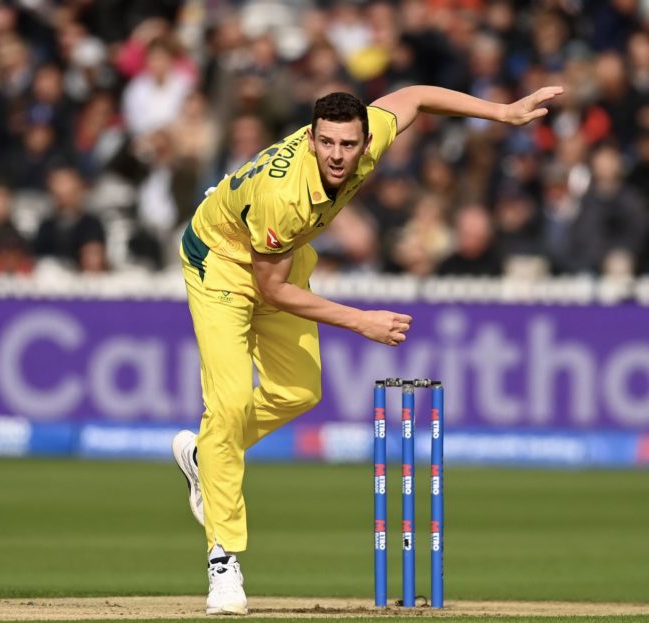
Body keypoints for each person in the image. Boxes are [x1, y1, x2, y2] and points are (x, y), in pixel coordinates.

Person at [170, 84, 562, 615]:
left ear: (364, 140)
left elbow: (417, 95)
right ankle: (223, 561)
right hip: (219, 263)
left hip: (279, 260)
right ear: (311, 140)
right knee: (231, 401)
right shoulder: (284, 196)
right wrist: (361, 321)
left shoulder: (372, 135)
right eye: (327, 143)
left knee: (299, 392)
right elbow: (271, 290)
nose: (337, 155)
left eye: (347, 145)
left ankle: (206, 454)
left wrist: (502, 112)